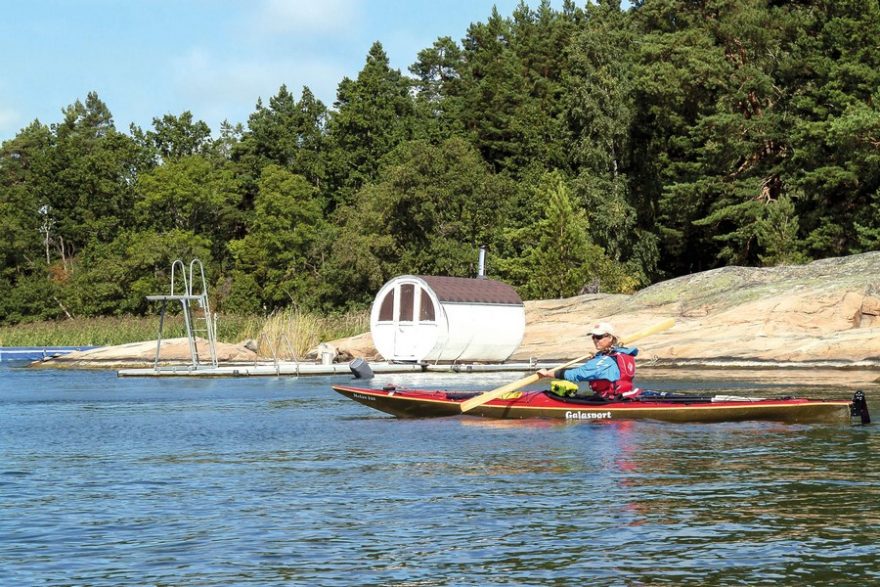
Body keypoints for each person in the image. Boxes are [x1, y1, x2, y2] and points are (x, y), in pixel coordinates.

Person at [537, 322, 641, 400]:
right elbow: (607, 365)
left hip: (609, 401)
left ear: (610, 338)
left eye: (599, 337)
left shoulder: (604, 361)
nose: (595, 340)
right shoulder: (622, 352)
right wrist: (597, 357)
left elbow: (578, 374)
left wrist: (548, 374)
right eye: (593, 337)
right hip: (622, 395)